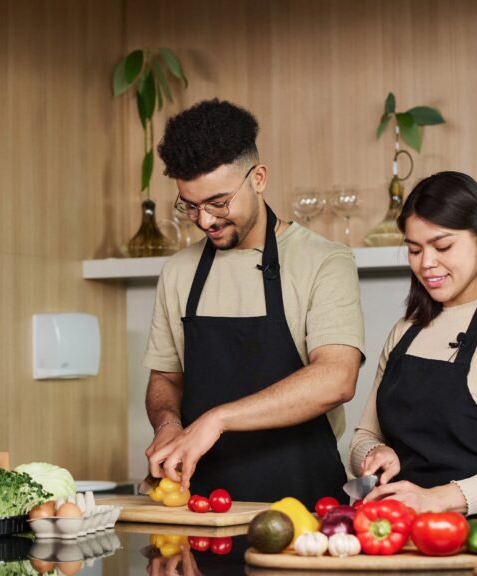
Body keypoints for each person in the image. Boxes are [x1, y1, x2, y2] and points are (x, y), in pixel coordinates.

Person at [143, 99, 365, 506]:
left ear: (258, 178)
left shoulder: (324, 261)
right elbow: (165, 379)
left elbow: (337, 378)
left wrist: (218, 419)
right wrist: (169, 424)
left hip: (306, 509)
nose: (205, 220)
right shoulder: (179, 271)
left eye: (218, 202)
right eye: (190, 206)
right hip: (204, 505)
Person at [348, 171, 477, 522]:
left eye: (442, 246)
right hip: (396, 533)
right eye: (414, 250)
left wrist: (437, 499)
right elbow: (363, 437)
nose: (426, 263)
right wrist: (375, 453)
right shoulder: (405, 331)